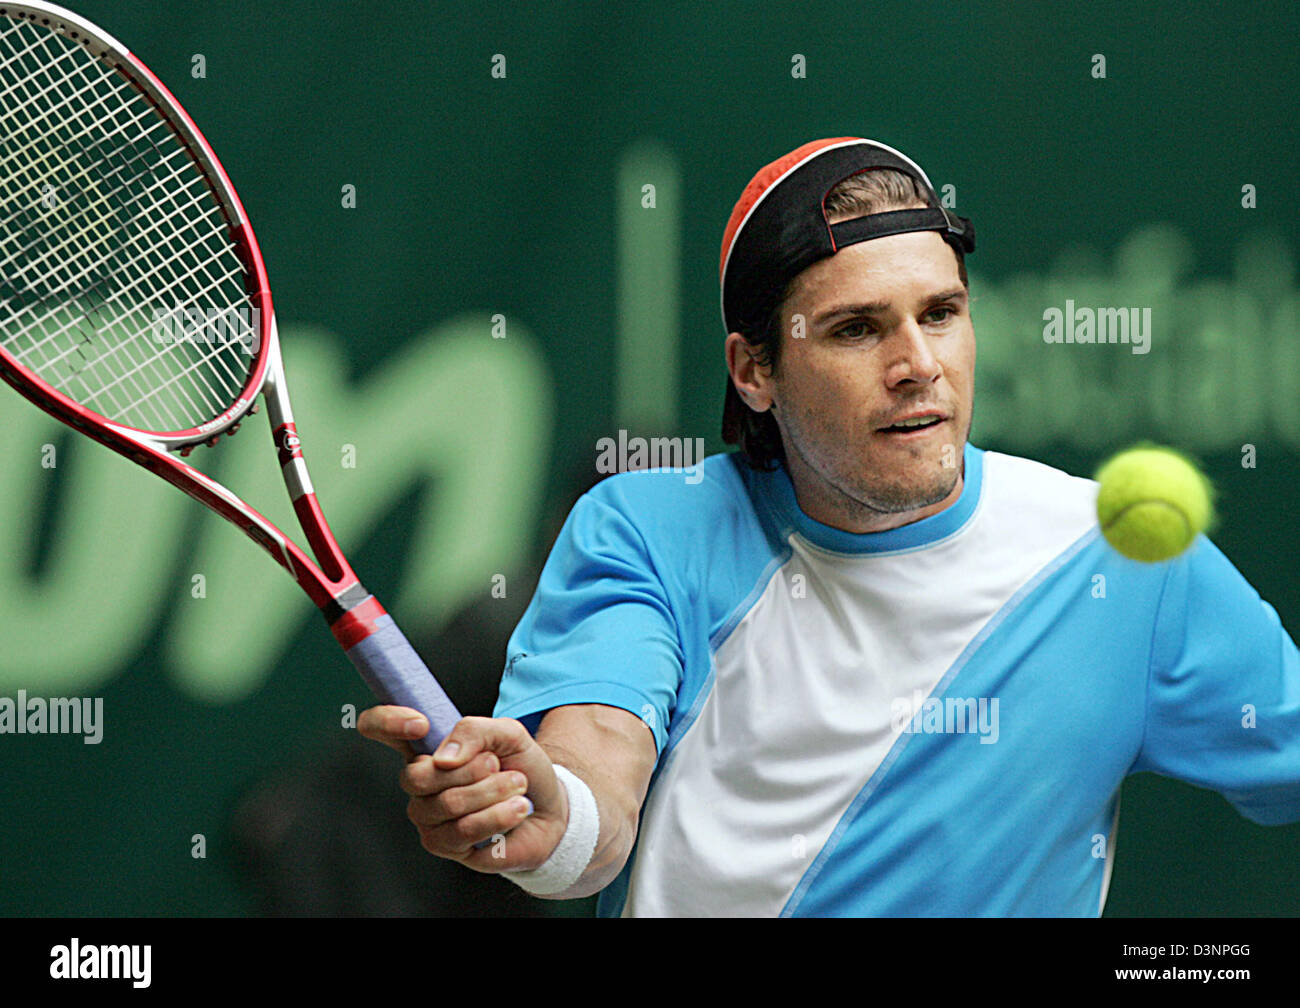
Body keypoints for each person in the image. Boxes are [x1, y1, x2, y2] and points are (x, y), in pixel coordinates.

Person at [359, 137, 1300, 916]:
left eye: (942, 314)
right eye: (857, 329)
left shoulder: (1115, 555)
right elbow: (592, 797)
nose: (919, 364)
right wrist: (541, 819)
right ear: (754, 370)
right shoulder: (650, 527)